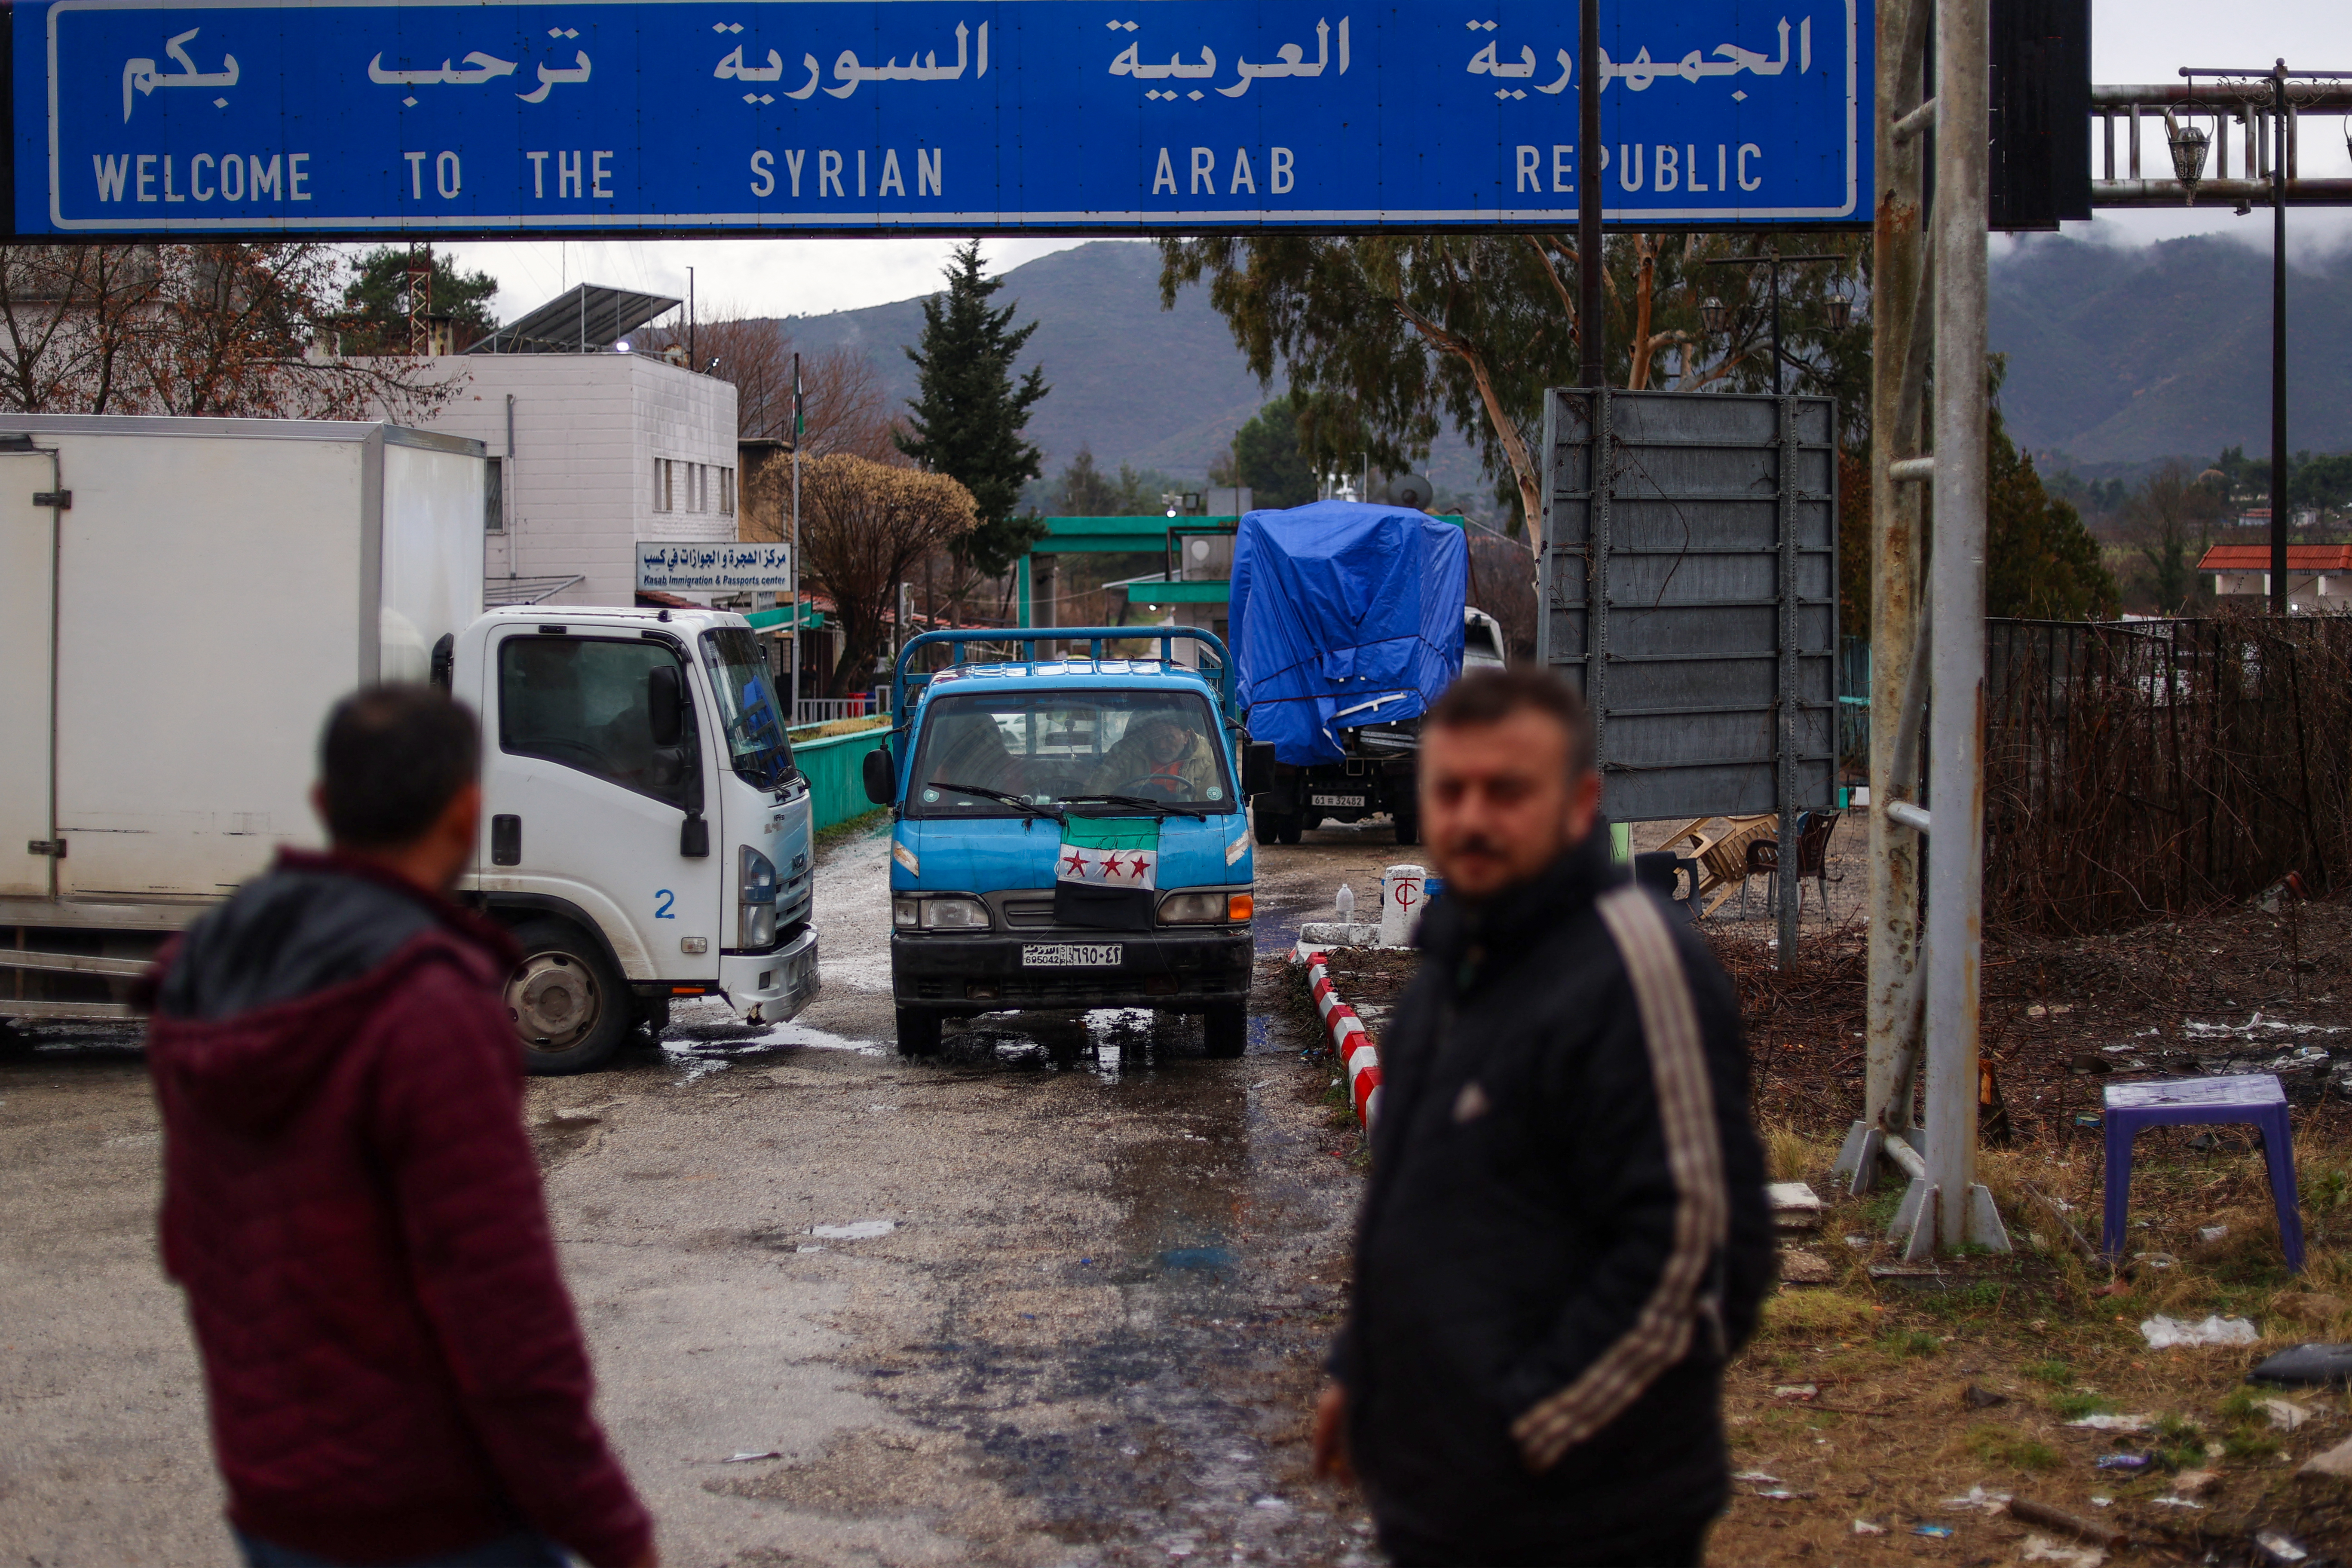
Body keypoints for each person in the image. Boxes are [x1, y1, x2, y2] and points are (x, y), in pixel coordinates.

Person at [143, 686, 655, 1568]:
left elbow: (190, 1244)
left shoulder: (210, 969)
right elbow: (504, 1318)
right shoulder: (432, 1008)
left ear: (323, 807)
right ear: (466, 813)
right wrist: (610, 1529)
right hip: (434, 1519)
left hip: (272, 1500)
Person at [1311, 668, 1770, 1567]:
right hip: (1443, 1508)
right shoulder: (1457, 961)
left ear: (1578, 804)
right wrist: (1360, 1368)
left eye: (1508, 790)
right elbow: (1418, 1207)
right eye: (1451, 790)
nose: (1473, 817)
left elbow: (1697, 1263)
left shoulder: (1636, 968)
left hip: (1583, 1520)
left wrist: (1518, 1437)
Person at [1089, 710, 1217, 799]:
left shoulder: (1206, 758)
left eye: (1169, 738)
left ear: (1186, 736)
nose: (1161, 746)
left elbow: (1215, 807)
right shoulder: (1124, 754)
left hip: (1188, 822)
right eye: (1156, 738)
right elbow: (1097, 794)